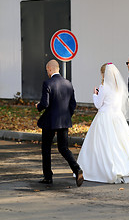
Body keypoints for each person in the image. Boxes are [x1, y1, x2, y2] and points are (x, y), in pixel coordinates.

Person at [77, 63, 129, 184]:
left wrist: (94, 94)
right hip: (118, 117)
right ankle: (127, 167)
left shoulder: (104, 87)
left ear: (105, 74)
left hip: (105, 116)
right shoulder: (120, 88)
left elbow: (99, 105)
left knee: (103, 143)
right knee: (120, 143)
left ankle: (101, 169)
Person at [35, 59, 84, 187]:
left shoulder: (48, 83)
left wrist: (38, 106)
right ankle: (77, 169)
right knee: (63, 148)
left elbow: (45, 104)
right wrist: (67, 116)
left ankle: (48, 177)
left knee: (46, 148)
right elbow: (73, 103)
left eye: (47, 70)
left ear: (50, 69)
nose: (47, 72)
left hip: (50, 121)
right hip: (64, 120)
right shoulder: (68, 83)